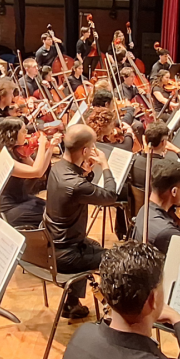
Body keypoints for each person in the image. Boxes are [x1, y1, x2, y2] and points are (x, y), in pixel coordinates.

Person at [45, 124, 115, 319]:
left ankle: (72, 304)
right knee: (117, 259)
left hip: (51, 246)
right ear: (85, 151)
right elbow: (110, 196)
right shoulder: (76, 185)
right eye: (92, 147)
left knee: (93, 245)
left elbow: (78, 188)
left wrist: (87, 172)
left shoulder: (58, 167)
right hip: (66, 255)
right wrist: (105, 165)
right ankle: (118, 311)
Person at [0, 117, 58, 228]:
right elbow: (36, 171)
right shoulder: (1, 157)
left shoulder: (14, 149)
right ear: (12, 134)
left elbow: (39, 170)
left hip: (21, 198)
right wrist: (41, 145)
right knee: (54, 216)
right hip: (10, 209)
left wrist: (50, 147)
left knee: (54, 209)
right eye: (23, 131)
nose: (27, 134)